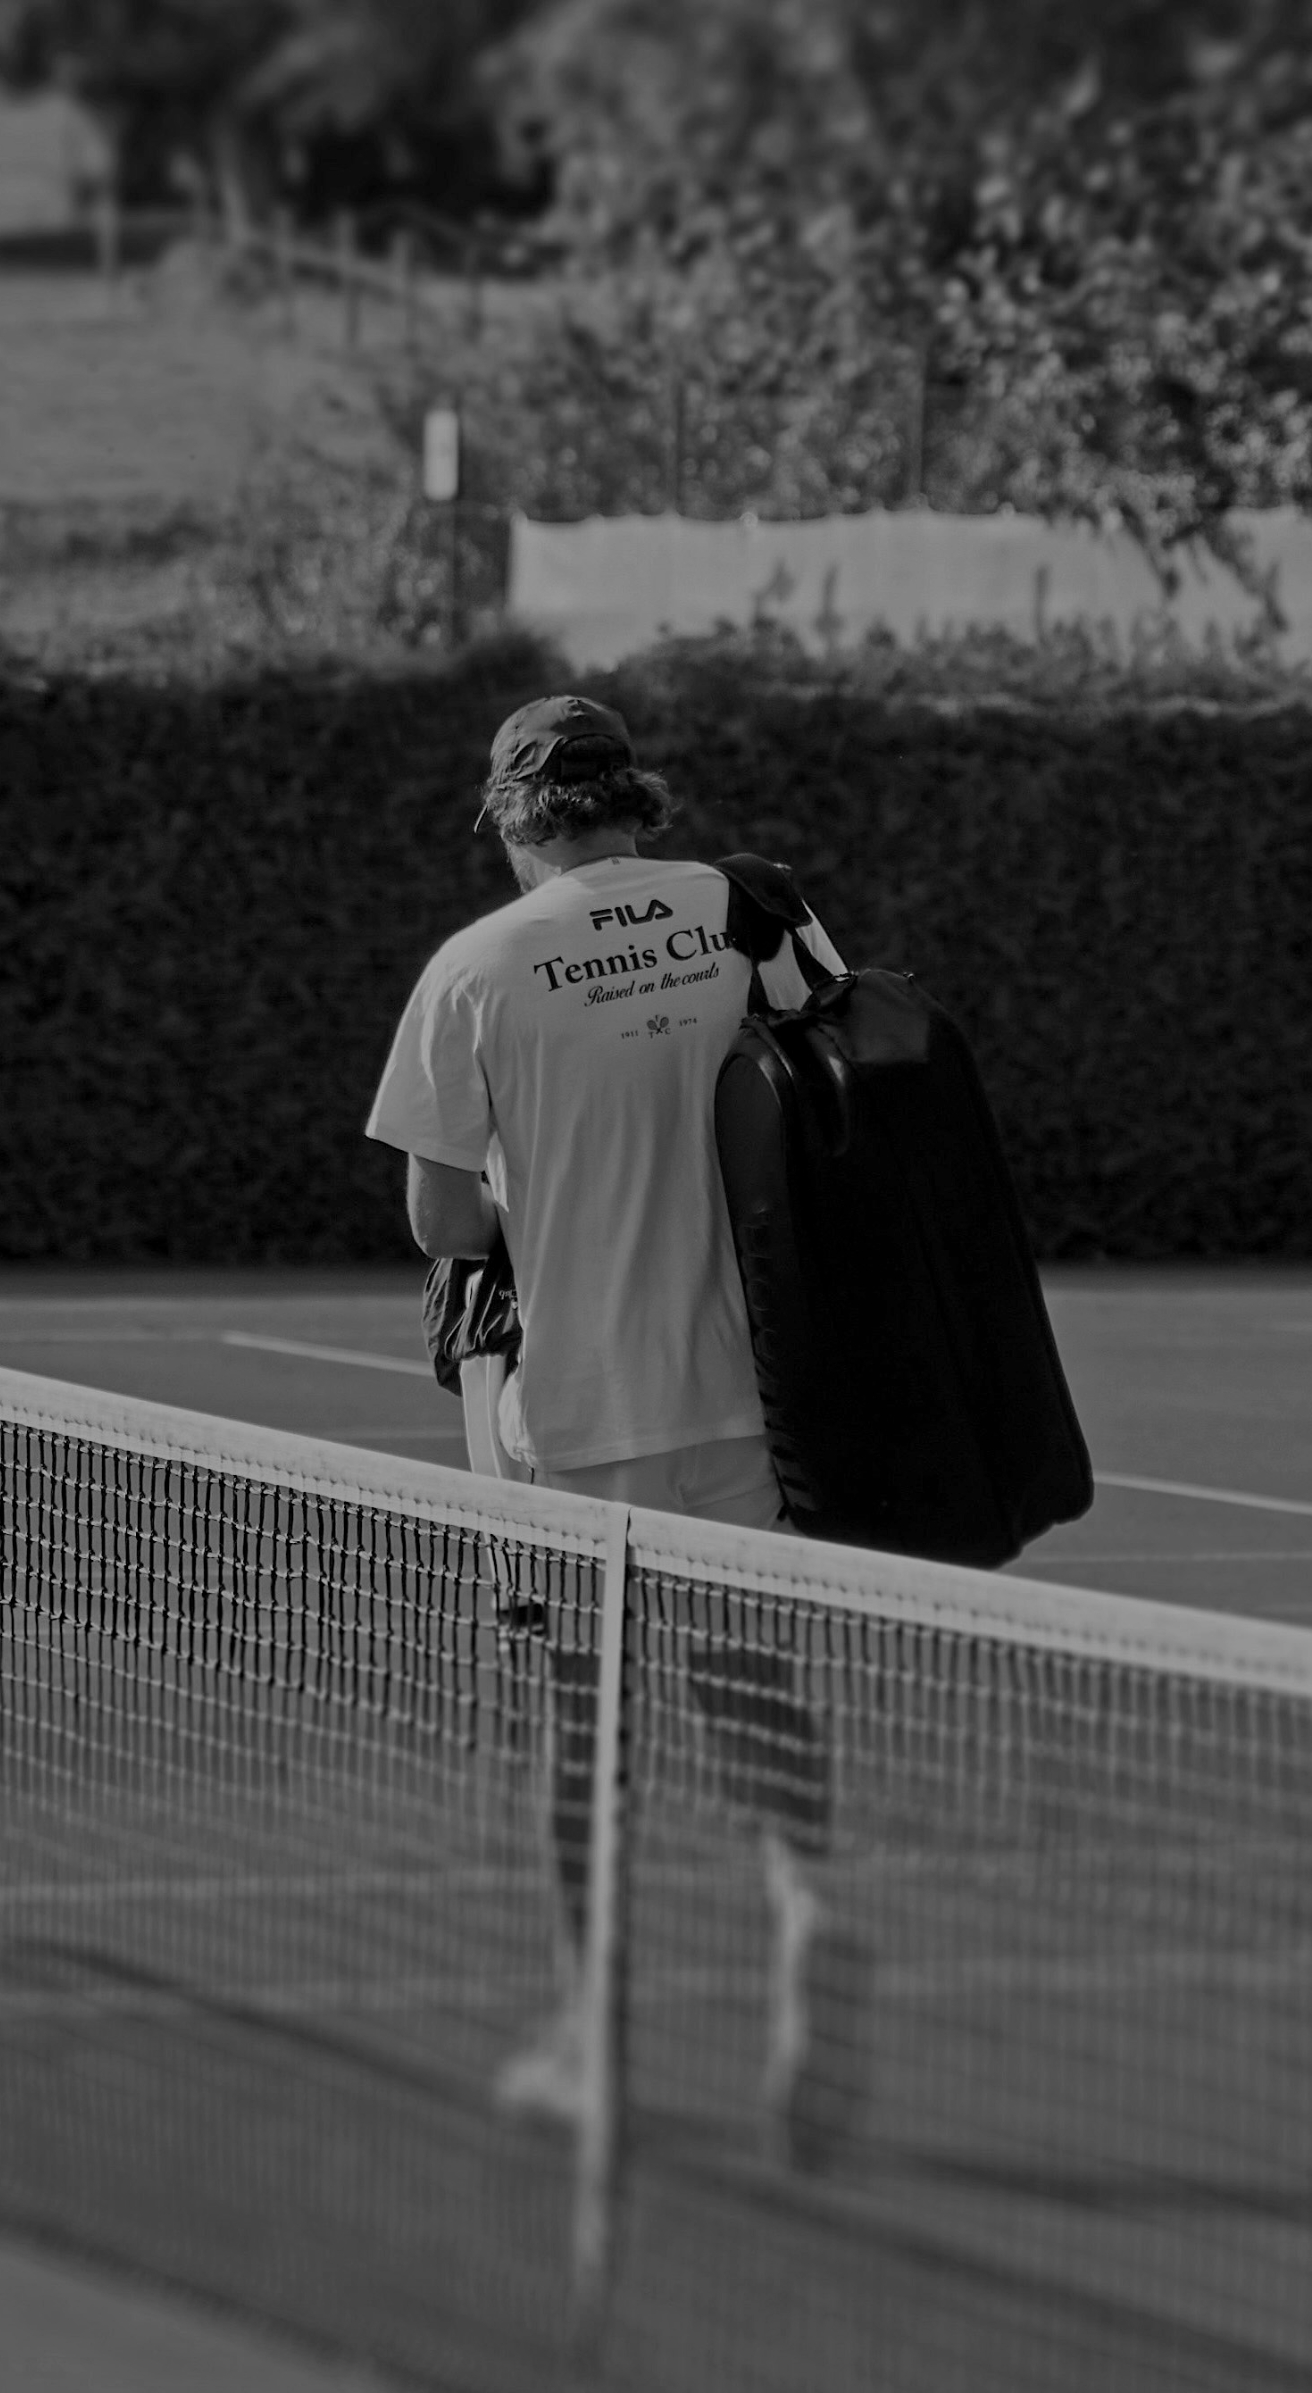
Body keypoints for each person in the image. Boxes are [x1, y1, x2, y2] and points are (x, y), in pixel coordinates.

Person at [365, 695, 865, 2172]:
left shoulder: (473, 968)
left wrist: (551, 1200)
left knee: (586, 1730)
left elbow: (446, 1223)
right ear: (632, 804)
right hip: (746, 1398)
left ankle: (600, 2040)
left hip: (575, 1419)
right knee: (744, 1673)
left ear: (518, 820)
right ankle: (812, 1908)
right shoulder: (741, 908)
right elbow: (849, 1094)